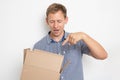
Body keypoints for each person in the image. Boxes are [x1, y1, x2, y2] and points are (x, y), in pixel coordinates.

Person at [33, 3, 108, 80]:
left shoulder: (77, 40)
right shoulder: (38, 47)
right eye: (52, 21)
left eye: (59, 21)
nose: (55, 26)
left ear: (66, 20)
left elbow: (103, 55)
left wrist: (84, 36)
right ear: (47, 21)